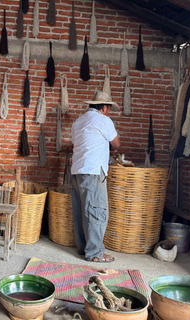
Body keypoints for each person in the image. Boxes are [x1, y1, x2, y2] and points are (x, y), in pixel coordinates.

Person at [71, 91, 121, 263]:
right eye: (109, 108)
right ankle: (95, 253)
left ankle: (83, 248)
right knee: (96, 210)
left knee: (81, 210)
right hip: (93, 171)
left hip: (77, 170)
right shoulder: (104, 120)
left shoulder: (78, 121)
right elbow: (116, 143)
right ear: (105, 108)